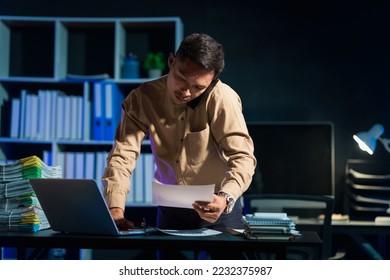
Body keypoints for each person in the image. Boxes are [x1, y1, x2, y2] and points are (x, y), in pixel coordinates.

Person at [102, 33, 257, 259]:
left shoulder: (223, 98)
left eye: (198, 87)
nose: (186, 92)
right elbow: (122, 156)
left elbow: (243, 158)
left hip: (218, 204)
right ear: (171, 62)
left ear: (212, 81)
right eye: (181, 78)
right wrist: (115, 209)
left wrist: (225, 198)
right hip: (170, 205)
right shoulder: (142, 98)